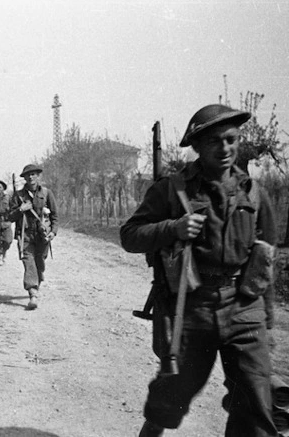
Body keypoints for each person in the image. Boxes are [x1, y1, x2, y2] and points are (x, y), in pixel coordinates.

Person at [120, 104, 278, 437]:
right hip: (191, 309)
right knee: (172, 396)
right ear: (197, 147)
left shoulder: (254, 192)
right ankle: (153, 429)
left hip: (243, 308)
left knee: (254, 401)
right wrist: (173, 228)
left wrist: (269, 322)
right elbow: (130, 236)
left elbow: (267, 259)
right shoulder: (172, 189)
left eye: (231, 139)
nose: (225, 149)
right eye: (214, 142)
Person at [8, 164, 58, 310]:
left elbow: (55, 216)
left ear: (38, 176)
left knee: (39, 262)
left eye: (33, 174)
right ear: (24, 178)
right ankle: (33, 294)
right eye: (27, 175)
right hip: (25, 235)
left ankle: (38, 276)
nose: (31, 177)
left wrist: (53, 232)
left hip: (42, 235)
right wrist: (20, 210)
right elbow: (9, 217)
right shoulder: (18, 196)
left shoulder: (47, 193)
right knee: (28, 262)